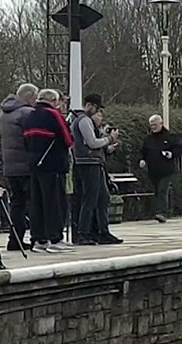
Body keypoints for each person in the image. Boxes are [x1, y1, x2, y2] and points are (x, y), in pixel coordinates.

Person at [21, 88, 75, 254]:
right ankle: (55, 239)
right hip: (53, 164)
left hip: (35, 163)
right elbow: (68, 140)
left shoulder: (30, 116)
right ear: (53, 101)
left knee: (37, 203)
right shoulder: (54, 114)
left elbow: (25, 140)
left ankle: (39, 239)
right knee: (54, 202)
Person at [70, 93, 121, 245]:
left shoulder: (84, 121)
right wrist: (109, 139)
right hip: (88, 163)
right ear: (89, 105)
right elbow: (91, 142)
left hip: (93, 162)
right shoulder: (84, 120)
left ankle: (101, 231)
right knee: (90, 199)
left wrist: (107, 146)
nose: (98, 112)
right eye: (97, 108)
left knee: (102, 198)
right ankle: (84, 233)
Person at [0, 83, 39, 250]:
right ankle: (37, 238)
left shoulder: (4, 113)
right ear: (29, 96)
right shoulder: (27, 113)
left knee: (17, 203)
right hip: (25, 164)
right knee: (33, 203)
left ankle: (14, 239)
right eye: (35, 97)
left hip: (10, 165)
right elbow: (32, 139)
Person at [141, 114, 177, 222]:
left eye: (155, 125)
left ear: (161, 124)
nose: (153, 127)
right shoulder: (148, 139)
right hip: (153, 170)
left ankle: (162, 213)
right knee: (157, 191)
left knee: (162, 190)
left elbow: (178, 149)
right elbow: (143, 152)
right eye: (151, 125)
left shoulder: (169, 136)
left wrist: (171, 154)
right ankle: (161, 211)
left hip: (166, 170)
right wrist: (142, 160)